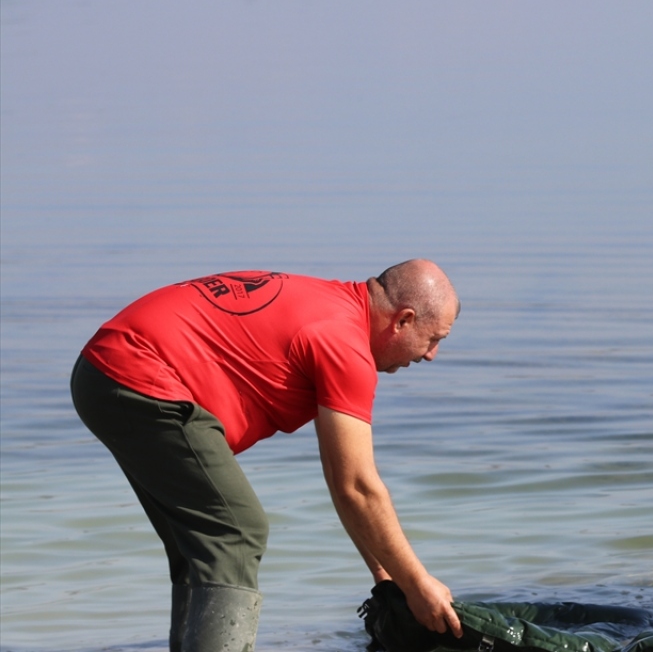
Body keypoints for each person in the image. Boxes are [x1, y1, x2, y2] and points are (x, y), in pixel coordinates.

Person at [70, 260, 465, 651]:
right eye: (434, 339)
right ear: (403, 320)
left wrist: (386, 574)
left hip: (102, 371)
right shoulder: (345, 346)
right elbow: (358, 487)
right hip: (139, 376)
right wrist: (417, 584)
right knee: (236, 531)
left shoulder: (331, 309)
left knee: (204, 547)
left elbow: (340, 474)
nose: (431, 355)